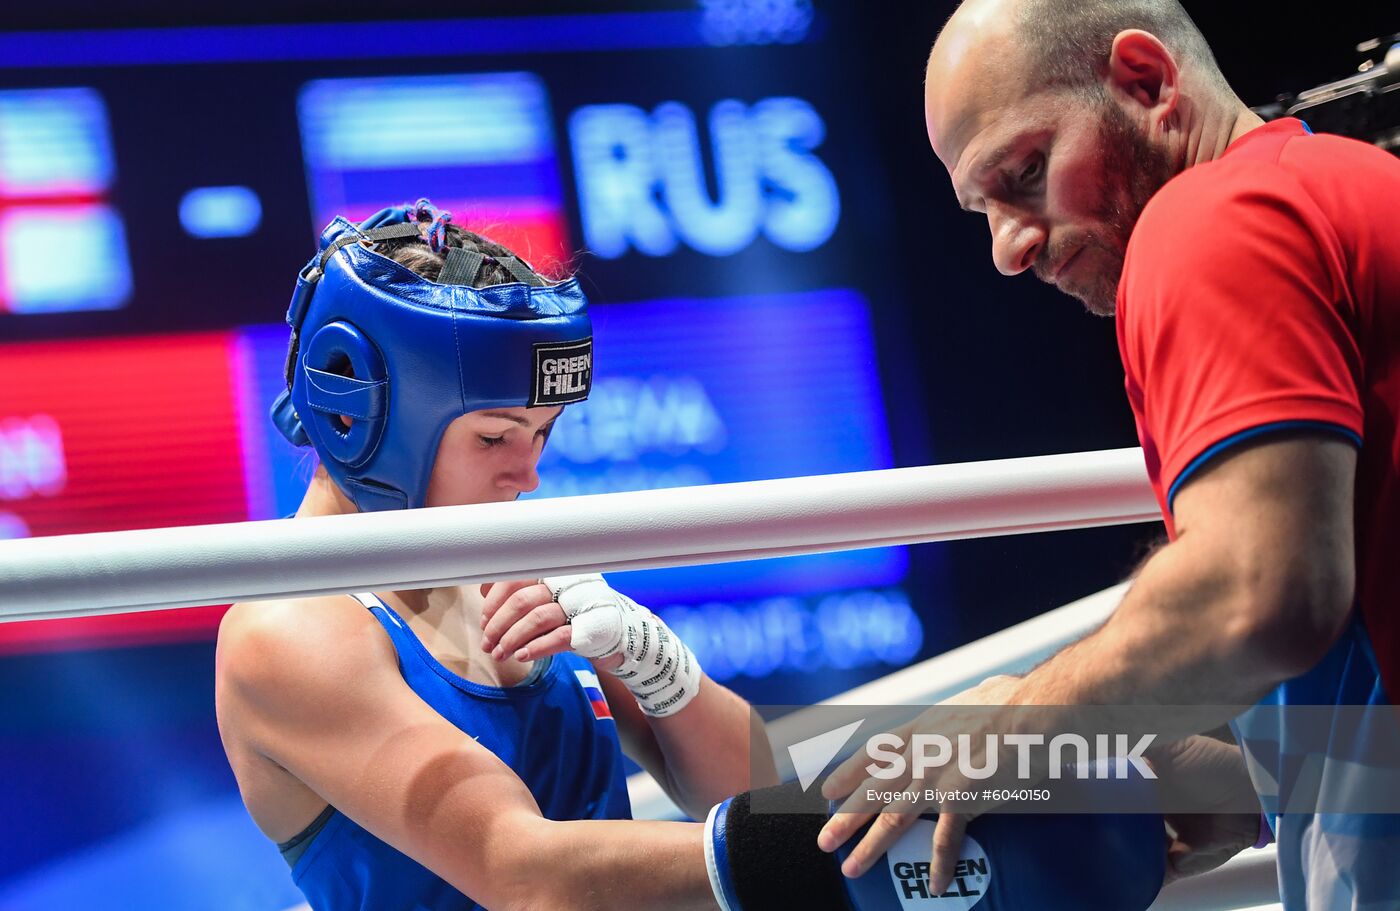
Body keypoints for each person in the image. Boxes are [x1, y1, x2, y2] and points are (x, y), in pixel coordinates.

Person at [817, 2, 1400, 909]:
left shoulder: (1217, 218)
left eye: (1025, 172)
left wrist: (1014, 718)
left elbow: (1261, 593)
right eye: (983, 209)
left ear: (1148, 82)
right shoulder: (1347, 183)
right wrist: (1244, 788)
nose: (1009, 249)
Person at [214, 200, 777, 910]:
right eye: (493, 437)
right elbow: (524, 874)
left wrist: (656, 663)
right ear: (362, 414)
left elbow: (762, 796)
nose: (529, 475)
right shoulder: (289, 632)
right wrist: (781, 857)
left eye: (542, 433)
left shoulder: (514, 562)